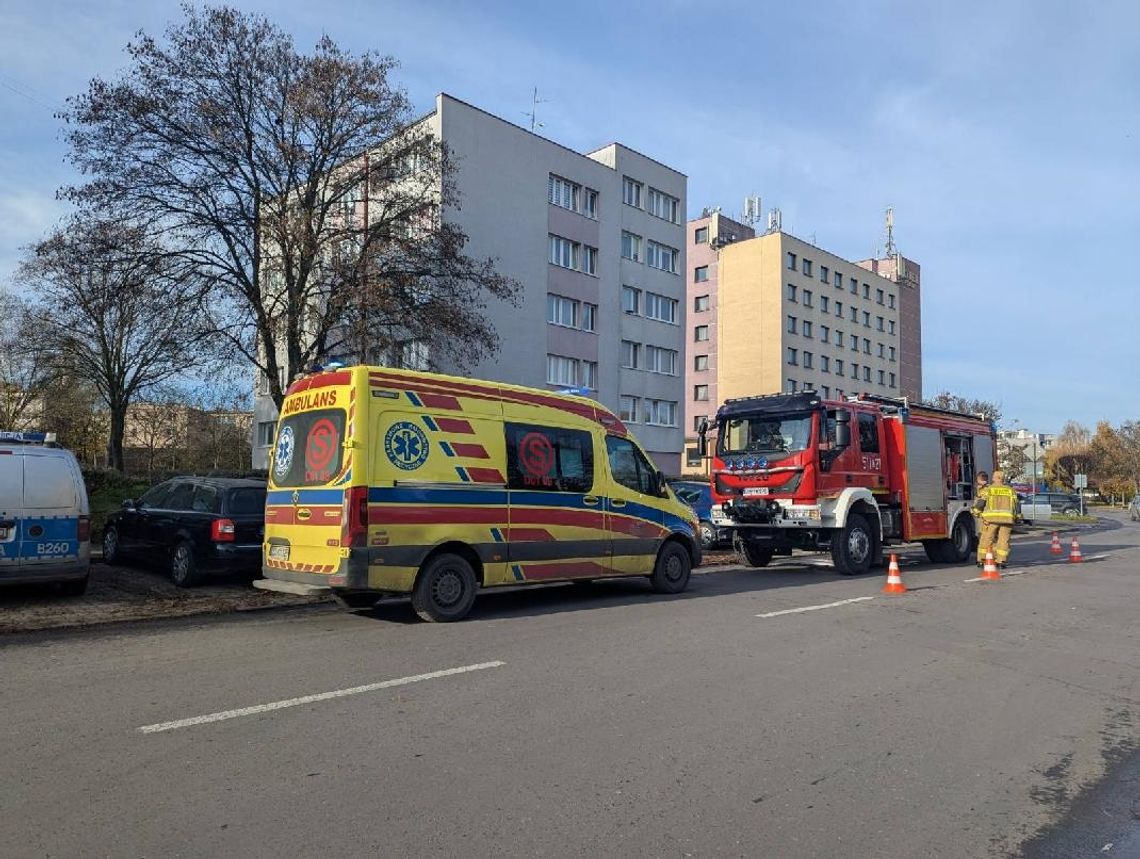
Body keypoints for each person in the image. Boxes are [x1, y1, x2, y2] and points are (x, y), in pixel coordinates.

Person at [974, 469, 1017, 568]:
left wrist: (976, 512)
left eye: (993, 476)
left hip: (991, 520)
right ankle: (1001, 561)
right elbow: (1016, 506)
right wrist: (1016, 517)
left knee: (987, 539)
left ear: (997, 478)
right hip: (1007, 520)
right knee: (1003, 540)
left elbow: (981, 503)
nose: (992, 478)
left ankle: (982, 559)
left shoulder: (989, 489)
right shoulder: (1011, 490)